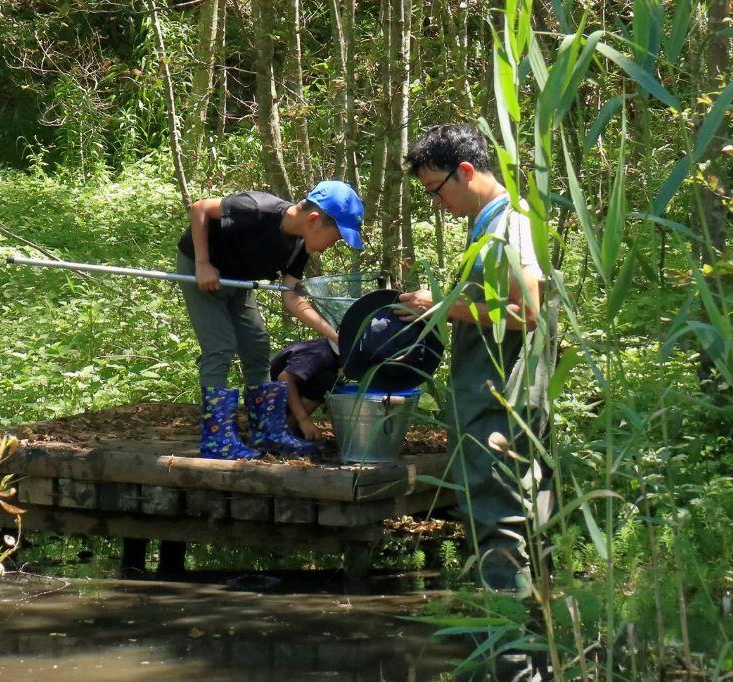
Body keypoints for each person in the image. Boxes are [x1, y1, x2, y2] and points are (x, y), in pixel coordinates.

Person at [398, 124, 550, 595]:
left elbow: (525, 311)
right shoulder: (486, 223)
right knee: (502, 506)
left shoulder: (512, 224)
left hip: (502, 402)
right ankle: (529, 630)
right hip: (487, 397)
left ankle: (510, 623)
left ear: (465, 171)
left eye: (435, 190)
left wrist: (443, 307)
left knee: (500, 508)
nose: (436, 203)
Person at [176, 181, 363, 460]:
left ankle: (267, 431)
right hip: (200, 270)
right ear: (314, 220)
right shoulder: (257, 208)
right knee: (221, 347)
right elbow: (200, 208)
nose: (331, 245)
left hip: (237, 280)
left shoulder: (300, 246)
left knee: (257, 345)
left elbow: (292, 298)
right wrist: (203, 263)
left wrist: (336, 336)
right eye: (335, 238)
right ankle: (216, 440)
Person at [269, 337, 341, 442]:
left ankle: (291, 425)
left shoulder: (332, 358)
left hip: (282, 399)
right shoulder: (321, 352)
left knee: (329, 380)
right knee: (326, 379)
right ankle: (284, 428)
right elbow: (285, 378)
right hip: (268, 401)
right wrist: (304, 420)